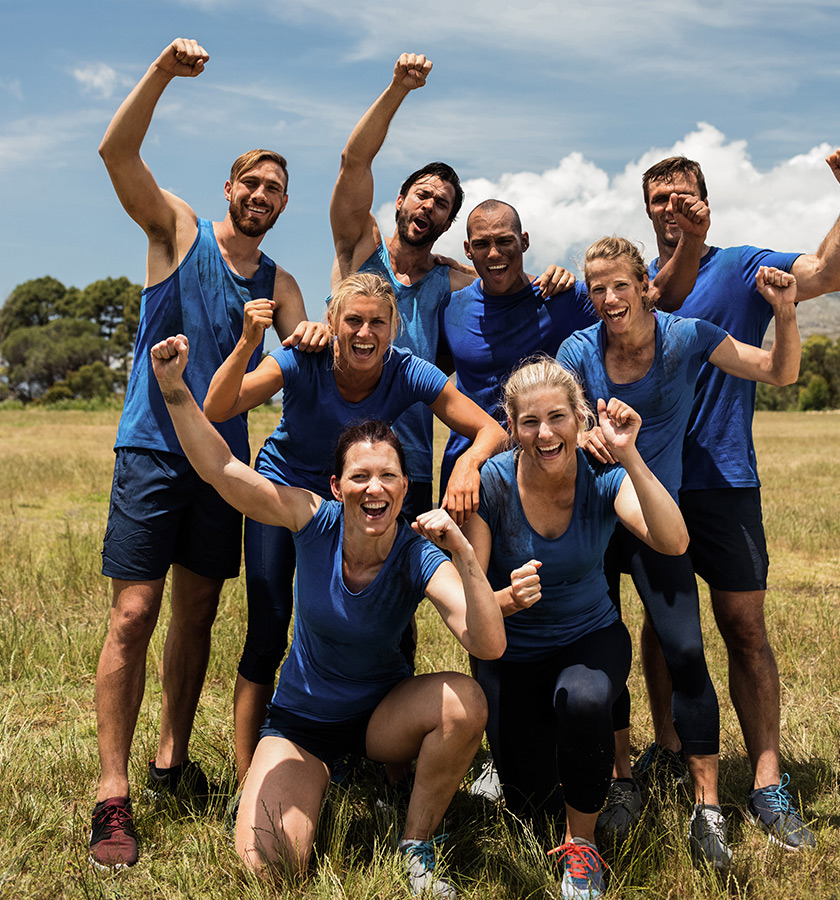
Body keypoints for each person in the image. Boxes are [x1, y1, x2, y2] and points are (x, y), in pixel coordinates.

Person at [152, 334, 506, 899]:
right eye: (360, 477)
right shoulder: (312, 519)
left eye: (388, 476)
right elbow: (222, 469)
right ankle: (307, 779)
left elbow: (486, 645)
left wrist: (464, 554)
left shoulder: (419, 552)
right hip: (302, 724)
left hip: (379, 722)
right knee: (268, 868)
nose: (375, 488)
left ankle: (415, 844)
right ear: (337, 487)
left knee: (468, 702)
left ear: (404, 489)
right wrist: (174, 391)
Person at [89, 38, 325, 871]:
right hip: (153, 451)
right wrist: (159, 72)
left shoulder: (282, 283)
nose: (262, 196)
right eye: (251, 183)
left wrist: (306, 337)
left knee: (195, 614)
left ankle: (171, 762)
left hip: (223, 467)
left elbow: (302, 350)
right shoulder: (178, 230)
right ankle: (112, 798)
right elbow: (117, 151)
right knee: (134, 613)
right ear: (231, 188)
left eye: (275, 190)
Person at [637, 149, 840, 850]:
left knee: (745, 629)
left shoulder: (738, 265)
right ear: (646, 210)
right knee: (661, 627)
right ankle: (671, 749)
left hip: (726, 479)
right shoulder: (637, 285)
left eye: (684, 198)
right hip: (658, 484)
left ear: (706, 202)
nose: (672, 209)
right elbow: (666, 305)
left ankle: (768, 781)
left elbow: (828, 273)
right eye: (661, 201)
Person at [203, 271, 508, 785]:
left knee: (393, 621)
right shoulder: (303, 356)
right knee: (271, 623)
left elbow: (490, 430)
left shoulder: (408, 370)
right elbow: (217, 406)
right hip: (292, 494)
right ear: (332, 323)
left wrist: (468, 463)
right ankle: (248, 773)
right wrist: (248, 343)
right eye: (353, 321)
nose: (365, 333)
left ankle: (390, 770)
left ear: (394, 330)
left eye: (377, 323)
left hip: (364, 494)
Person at [557, 236, 801, 869]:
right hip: (592, 519)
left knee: (686, 648)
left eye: (619, 285)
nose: (608, 298)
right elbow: (562, 422)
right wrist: (585, 433)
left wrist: (786, 312)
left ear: (646, 286)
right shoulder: (579, 349)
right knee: (602, 651)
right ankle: (622, 778)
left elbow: (779, 370)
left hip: (653, 514)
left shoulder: (687, 336)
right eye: (597, 288)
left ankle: (707, 806)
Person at [462, 359, 689, 899]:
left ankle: (582, 849)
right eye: (530, 422)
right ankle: (522, 762)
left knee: (585, 698)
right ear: (512, 428)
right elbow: (470, 614)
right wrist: (503, 600)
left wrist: (630, 454)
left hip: (589, 638)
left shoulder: (604, 473)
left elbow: (674, 540)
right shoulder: (492, 486)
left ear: (580, 418)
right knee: (529, 804)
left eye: (558, 417)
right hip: (512, 655)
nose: (546, 433)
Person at [330, 54, 573, 519]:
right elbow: (353, 160)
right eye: (422, 193)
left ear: (448, 223)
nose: (429, 205)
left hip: (412, 459)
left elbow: (507, 273)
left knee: (405, 585)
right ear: (400, 200)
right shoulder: (358, 248)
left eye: (442, 203)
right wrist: (399, 87)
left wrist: (556, 275)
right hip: (339, 453)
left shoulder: (456, 281)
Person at [438, 197, 709, 495]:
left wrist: (692, 239)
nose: (494, 253)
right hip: (466, 475)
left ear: (524, 241)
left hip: (542, 477)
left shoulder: (564, 298)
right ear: (467, 249)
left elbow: (653, 299)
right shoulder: (451, 307)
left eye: (505, 241)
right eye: (481, 245)